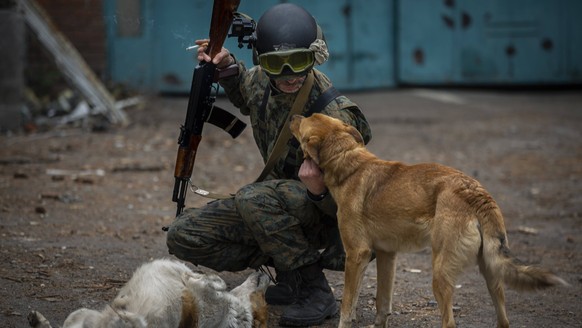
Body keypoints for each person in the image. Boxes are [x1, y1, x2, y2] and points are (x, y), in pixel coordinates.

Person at [165, 3, 372, 326]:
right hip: (275, 208)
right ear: (261, 61)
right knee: (183, 235)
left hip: (332, 219)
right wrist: (227, 67)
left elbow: (359, 202)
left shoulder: (333, 117)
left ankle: (314, 289)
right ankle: (288, 273)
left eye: (299, 62)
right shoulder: (262, 80)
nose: (289, 75)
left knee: (253, 197)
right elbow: (246, 96)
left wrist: (319, 191)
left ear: (316, 55)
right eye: (277, 64)